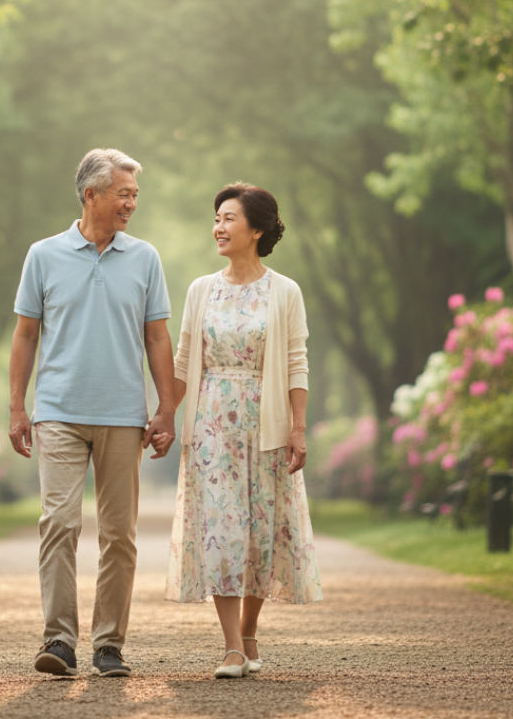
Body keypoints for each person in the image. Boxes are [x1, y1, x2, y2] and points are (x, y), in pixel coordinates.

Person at [9, 148, 177, 679]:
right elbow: (25, 333)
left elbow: (157, 336)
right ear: (91, 195)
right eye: (123, 193)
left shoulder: (145, 258)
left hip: (124, 415)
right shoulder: (43, 254)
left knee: (119, 533)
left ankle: (109, 645)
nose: (132, 202)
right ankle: (59, 640)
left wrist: (166, 406)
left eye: (134, 194)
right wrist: (18, 407)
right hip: (57, 411)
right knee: (58, 523)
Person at [166, 182, 323, 677]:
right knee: (223, 530)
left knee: (261, 533)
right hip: (213, 425)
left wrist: (298, 429)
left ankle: (250, 633)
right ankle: (232, 646)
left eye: (229, 218)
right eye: (216, 217)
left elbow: (297, 364)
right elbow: (184, 361)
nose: (218, 226)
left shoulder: (285, 291)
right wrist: (164, 416)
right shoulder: (200, 290)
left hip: (267, 423)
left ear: (256, 229)